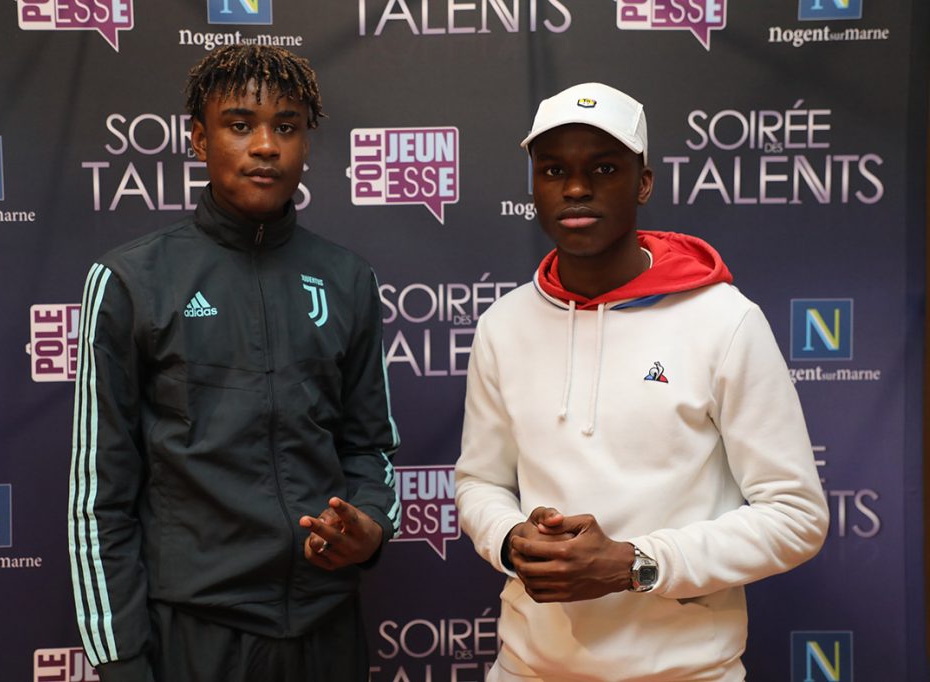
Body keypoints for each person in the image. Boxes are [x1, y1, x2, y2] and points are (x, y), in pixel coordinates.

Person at [454, 82, 829, 682]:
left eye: (604, 168)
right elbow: (481, 481)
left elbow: (796, 515)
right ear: (534, 186)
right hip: (528, 669)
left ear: (644, 183)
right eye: (554, 170)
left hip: (687, 672)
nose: (576, 188)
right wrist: (510, 539)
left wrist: (637, 564)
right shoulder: (504, 323)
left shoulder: (724, 320)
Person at [68, 45, 400, 682]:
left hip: (326, 623)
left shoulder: (348, 278)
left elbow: (369, 448)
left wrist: (372, 525)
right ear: (199, 139)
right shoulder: (132, 280)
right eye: (240, 125)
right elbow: (98, 496)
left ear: (306, 142)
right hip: (193, 630)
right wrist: (121, 658)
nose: (267, 146)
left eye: (287, 126)